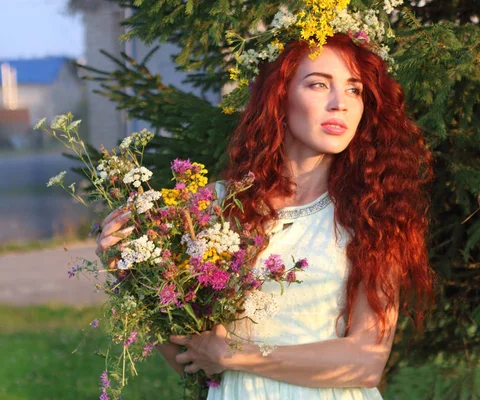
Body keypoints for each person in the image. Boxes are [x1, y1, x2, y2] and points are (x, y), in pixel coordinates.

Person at [96, 31, 434, 399]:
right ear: (280, 96)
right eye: (319, 85)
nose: (341, 103)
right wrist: (129, 273)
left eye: (354, 89)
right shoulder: (216, 209)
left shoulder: (375, 215)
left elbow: (366, 362)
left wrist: (240, 355)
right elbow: (192, 362)